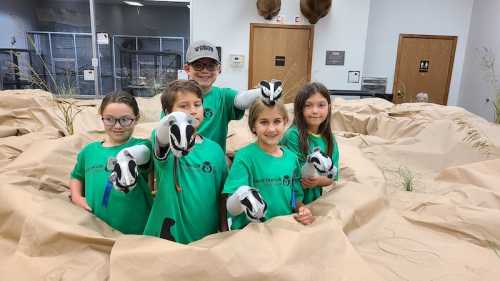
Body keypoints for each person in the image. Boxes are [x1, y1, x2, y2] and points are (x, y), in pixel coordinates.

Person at [143, 80, 228, 244]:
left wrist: (224, 229)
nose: (193, 111)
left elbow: (222, 196)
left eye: (197, 104)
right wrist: (175, 122)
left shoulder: (215, 150)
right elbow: (160, 137)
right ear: (168, 113)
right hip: (166, 237)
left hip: (205, 236)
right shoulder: (164, 141)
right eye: (184, 106)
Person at [164, 40, 282, 153]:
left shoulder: (223, 96)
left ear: (219, 69)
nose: (205, 70)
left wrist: (261, 93)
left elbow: (241, 99)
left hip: (215, 163)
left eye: (211, 66)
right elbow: (164, 132)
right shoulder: (175, 97)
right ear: (187, 69)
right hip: (182, 161)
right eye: (198, 65)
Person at [223, 99, 314, 230]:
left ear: (285, 122)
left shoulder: (291, 159)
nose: (271, 129)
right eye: (264, 122)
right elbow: (231, 206)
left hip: (283, 229)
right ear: (253, 126)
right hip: (251, 233)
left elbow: (294, 196)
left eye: (277, 121)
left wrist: (302, 209)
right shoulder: (245, 157)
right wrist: (241, 195)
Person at [69, 91, 153, 234]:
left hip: (136, 231)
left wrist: (127, 156)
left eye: (125, 120)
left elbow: (144, 154)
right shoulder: (89, 151)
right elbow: (77, 176)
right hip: (97, 229)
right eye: (110, 119)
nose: (118, 126)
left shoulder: (143, 146)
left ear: (136, 118)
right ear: (101, 118)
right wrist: (76, 196)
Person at [281, 82, 340, 204]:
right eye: (308, 105)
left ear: (328, 107)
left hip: (314, 200)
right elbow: (297, 175)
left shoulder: (330, 139)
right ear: (299, 109)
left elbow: (333, 175)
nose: (315, 111)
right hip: (291, 199)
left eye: (321, 105)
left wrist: (319, 181)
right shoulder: (293, 135)